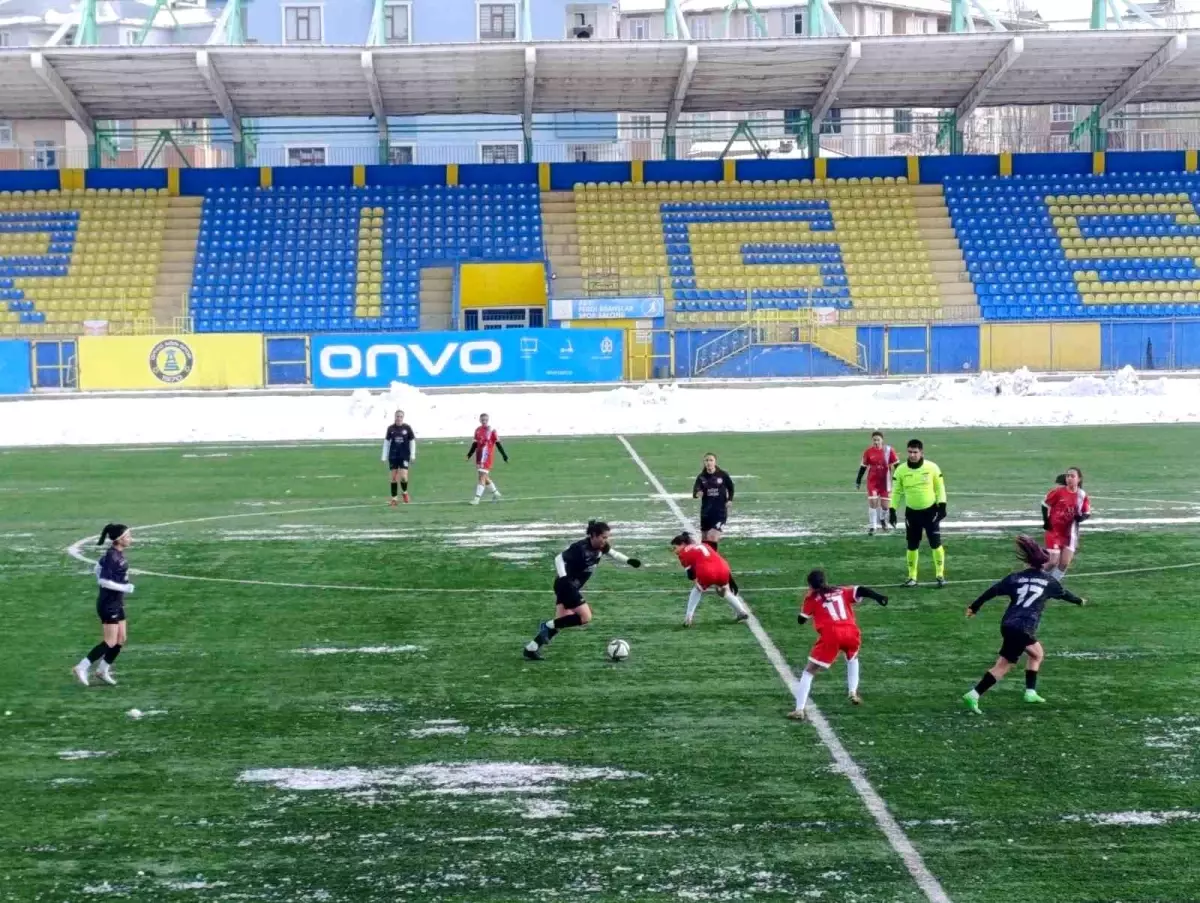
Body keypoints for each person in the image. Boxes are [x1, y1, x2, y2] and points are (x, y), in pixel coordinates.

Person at [962, 535, 1087, 715]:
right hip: (1024, 627)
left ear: (1028, 561)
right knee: (1028, 657)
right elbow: (1065, 594)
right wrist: (1079, 601)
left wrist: (974, 607)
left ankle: (1027, 692)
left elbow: (992, 591)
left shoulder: (1015, 578)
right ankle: (979, 694)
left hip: (1008, 624)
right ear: (1043, 564)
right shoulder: (1049, 582)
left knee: (1012, 661)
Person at [523, 521, 641, 660]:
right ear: (594, 535)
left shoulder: (601, 546)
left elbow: (613, 553)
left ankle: (531, 648)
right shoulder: (580, 548)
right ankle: (546, 625)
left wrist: (628, 561)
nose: (606, 540)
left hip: (570, 586)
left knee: (561, 621)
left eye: (607, 537)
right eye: (604, 537)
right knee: (585, 616)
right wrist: (564, 577)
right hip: (566, 585)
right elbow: (559, 558)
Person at [789, 570, 889, 720]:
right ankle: (852, 692)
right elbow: (860, 589)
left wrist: (808, 604)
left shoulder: (812, 598)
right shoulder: (840, 590)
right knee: (852, 658)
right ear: (825, 581)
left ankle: (799, 709)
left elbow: (801, 619)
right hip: (851, 631)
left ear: (810, 585)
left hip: (832, 634)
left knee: (809, 671)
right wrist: (878, 597)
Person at [73, 523, 135, 687]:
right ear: (119, 539)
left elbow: (97, 568)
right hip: (108, 605)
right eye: (128, 536)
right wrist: (124, 587)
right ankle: (81, 667)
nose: (131, 539)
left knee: (121, 639)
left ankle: (102, 670)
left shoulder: (116, 555)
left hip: (116, 602)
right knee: (110, 641)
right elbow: (103, 581)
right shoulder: (112, 556)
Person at [888, 439, 947, 587]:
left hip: (930, 511)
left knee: (935, 543)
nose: (912, 455)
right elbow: (896, 492)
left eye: (915, 452)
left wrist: (942, 506)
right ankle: (912, 577)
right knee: (912, 545)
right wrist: (892, 509)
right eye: (910, 452)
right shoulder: (901, 470)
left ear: (921, 453)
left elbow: (940, 488)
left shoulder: (932, 467)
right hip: (912, 513)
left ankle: (940, 575)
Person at [670, 532, 749, 626]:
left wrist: (696, 583)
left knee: (697, 590)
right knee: (723, 590)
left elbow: (690, 573)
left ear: (682, 544)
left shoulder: (684, 553)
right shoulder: (703, 544)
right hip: (724, 569)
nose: (674, 551)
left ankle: (688, 618)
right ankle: (741, 611)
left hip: (707, 572)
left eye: (675, 548)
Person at [1042, 468, 1090, 580]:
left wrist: (1080, 518)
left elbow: (1086, 512)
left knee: (1063, 564)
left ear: (1079, 479)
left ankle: (1050, 587)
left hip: (1070, 534)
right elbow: (1044, 504)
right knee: (1052, 562)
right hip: (1054, 531)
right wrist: (1046, 521)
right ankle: (1034, 579)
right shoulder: (1058, 492)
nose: (1069, 478)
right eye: (1068, 476)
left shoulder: (1082, 495)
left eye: (1072, 476)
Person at [856, 430, 899, 535]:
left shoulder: (889, 450)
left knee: (885, 506)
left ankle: (883, 520)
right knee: (873, 504)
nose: (876, 442)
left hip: (885, 482)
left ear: (882, 440)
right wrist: (858, 480)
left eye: (878, 440)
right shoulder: (868, 452)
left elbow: (897, 466)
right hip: (873, 482)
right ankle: (873, 526)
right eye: (874, 440)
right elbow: (863, 467)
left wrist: (900, 478)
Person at [692, 453, 734, 549]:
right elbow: (695, 491)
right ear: (704, 462)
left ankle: (713, 561)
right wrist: (698, 493)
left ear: (715, 462)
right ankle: (707, 561)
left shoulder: (723, 475)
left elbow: (731, 488)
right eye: (707, 460)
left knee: (712, 537)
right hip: (706, 513)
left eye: (711, 460)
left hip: (720, 513)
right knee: (705, 540)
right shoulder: (701, 477)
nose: (709, 462)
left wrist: (729, 500)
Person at [466, 413, 508, 505]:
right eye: (482, 420)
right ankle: (496, 493)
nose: (484, 421)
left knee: (481, 476)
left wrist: (504, 455)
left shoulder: (492, 430)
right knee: (484, 476)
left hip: (487, 456)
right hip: (479, 456)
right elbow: (475, 444)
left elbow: (498, 444)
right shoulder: (477, 430)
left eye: (485, 419)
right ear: (480, 420)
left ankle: (476, 499)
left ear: (488, 420)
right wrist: (469, 454)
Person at [381, 409, 416, 506]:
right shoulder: (390, 429)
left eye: (400, 416)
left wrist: (413, 455)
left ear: (403, 417)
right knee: (393, 477)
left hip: (404, 455)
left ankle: (404, 492)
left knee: (404, 477)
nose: (399, 418)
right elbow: (386, 443)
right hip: (393, 455)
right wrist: (383, 456)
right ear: (394, 417)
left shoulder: (407, 428)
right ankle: (394, 498)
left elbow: (412, 441)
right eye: (397, 416)